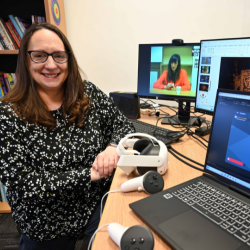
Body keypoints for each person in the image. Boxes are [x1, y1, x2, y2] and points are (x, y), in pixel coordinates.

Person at [0, 23, 135, 250]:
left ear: (68, 60)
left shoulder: (87, 93)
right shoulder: (7, 114)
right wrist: (90, 174)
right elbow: (23, 183)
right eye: (40, 55)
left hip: (95, 208)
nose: (51, 65)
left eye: (59, 56)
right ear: (25, 59)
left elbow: (123, 125)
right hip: (45, 226)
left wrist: (112, 147)